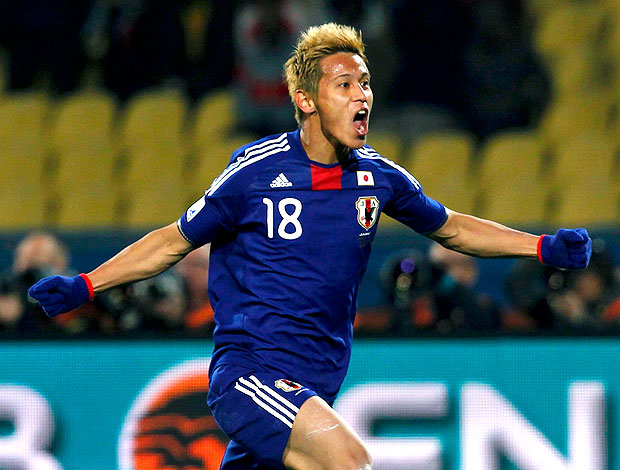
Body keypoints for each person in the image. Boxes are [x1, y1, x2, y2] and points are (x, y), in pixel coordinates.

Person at [29, 23, 591, 470]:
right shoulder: (255, 173)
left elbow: (452, 228)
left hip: (316, 381)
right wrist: (86, 285)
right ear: (305, 99)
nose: (361, 96)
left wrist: (541, 248)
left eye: (365, 83)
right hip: (251, 375)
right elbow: (171, 243)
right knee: (348, 461)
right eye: (344, 85)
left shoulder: (378, 178)